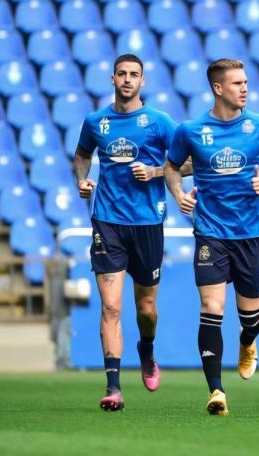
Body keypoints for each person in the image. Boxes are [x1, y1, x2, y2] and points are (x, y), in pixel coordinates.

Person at [164, 58, 259, 416]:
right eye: (237, 83)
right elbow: (172, 166)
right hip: (210, 233)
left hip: (250, 234)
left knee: (251, 317)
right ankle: (216, 390)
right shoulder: (190, 130)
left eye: (246, 82)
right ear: (218, 88)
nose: (245, 88)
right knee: (212, 308)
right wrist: (178, 194)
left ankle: (247, 341)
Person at [73, 54, 180, 411]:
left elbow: (192, 162)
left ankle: (146, 351)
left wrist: (154, 172)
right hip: (107, 222)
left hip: (148, 222)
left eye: (135, 74)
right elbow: (81, 155)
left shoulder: (159, 122)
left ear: (143, 81)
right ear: (113, 78)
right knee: (111, 306)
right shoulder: (96, 121)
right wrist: (82, 181)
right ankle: (113, 387)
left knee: (146, 308)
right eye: (122, 74)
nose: (128, 80)